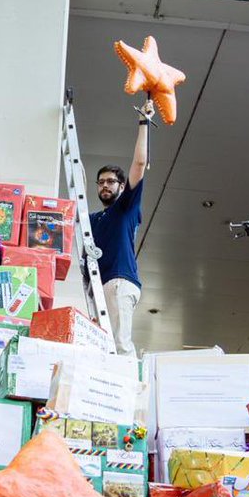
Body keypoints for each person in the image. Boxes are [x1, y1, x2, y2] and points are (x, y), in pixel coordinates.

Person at [89, 99, 153, 356]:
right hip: (102, 285)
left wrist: (144, 123)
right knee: (104, 349)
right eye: (100, 182)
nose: (105, 185)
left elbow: (139, 165)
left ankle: (129, 395)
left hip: (120, 281)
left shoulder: (125, 208)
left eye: (111, 181)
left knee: (120, 346)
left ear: (121, 185)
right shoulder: (93, 220)